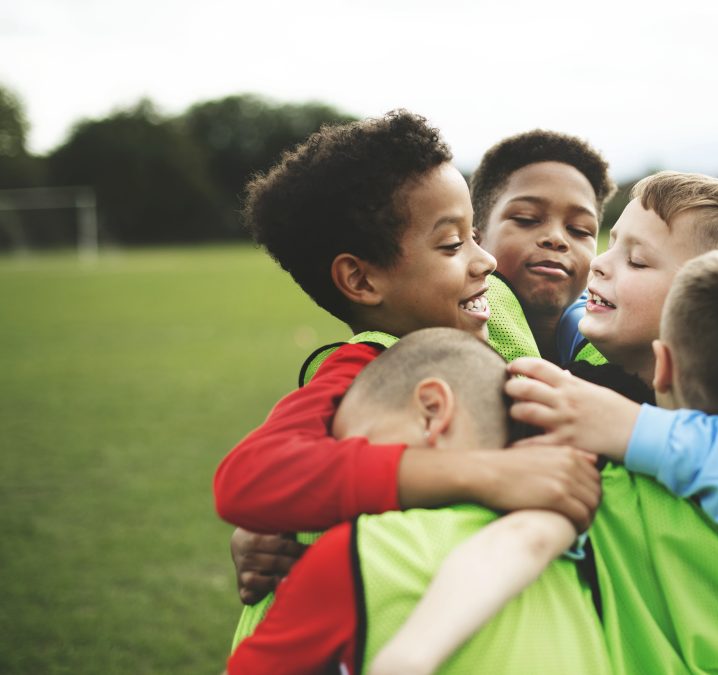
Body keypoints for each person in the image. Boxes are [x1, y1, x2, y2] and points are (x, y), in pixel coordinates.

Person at [374, 173, 718, 674]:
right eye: (610, 242)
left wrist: (628, 428)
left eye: (637, 259)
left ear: (701, 311)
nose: (598, 265)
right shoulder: (584, 337)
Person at [213, 111, 602, 647]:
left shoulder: (494, 310)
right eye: (452, 245)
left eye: (473, 235)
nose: (484, 259)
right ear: (360, 279)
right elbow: (250, 480)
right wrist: (482, 473)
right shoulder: (363, 367)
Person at [225, 329, 611, 675]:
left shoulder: (363, 552)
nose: (347, 477)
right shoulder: (572, 551)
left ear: (431, 412)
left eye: (357, 444)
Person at [470, 130, 616, 363]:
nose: (556, 238)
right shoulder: (429, 345)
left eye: (580, 229)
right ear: (474, 240)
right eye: (526, 219)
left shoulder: (624, 351)